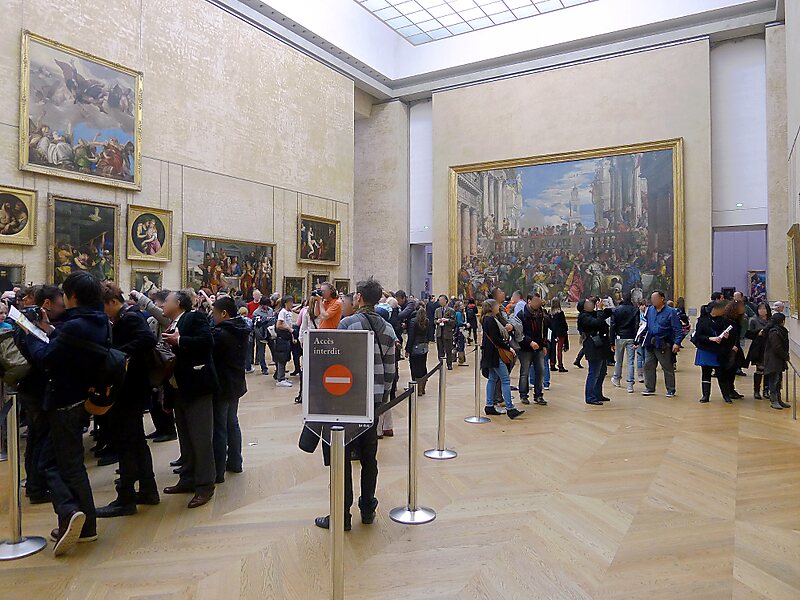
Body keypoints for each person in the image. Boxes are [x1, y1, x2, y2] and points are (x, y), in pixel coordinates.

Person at [26, 272, 109, 555]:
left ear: (72, 296)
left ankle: (76, 517)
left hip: (65, 401)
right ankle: (75, 518)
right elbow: (70, 346)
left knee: (63, 465)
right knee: (54, 462)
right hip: (80, 398)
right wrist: (48, 331)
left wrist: (28, 337)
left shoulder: (76, 325)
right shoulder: (97, 320)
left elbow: (47, 359)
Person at [315, 278, 397, 530]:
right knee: (369, 457)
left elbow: (338, 363)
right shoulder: (387, 328)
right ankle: (368, 508)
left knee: (344, 457)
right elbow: (392, 371)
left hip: (348, 402)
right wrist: (381, 399)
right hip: (373, 403)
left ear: (359, 298)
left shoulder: (348, 324)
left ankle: (343, 515)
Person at [96, 283, 158, 518]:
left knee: (127, 442)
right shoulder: (125, 317)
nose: (103, 312)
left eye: (104, 307)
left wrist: (117, 353)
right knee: (136, 441)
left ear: (112, 302)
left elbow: (147, 340)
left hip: (130, 389)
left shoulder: (130, 317)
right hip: (133, 388)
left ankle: (126, 498)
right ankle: (148, 490)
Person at [161, 290, 219, 509]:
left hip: (197, 387)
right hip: (179, 389)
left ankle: (205, 487)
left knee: (201, 439)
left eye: (166, 301)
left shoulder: (193, 317)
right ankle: (187, 480)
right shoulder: (171, 322)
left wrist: (180, 339)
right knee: (185, 438)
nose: (163, 304)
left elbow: (207, 342)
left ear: (178, 303)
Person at [15, 285, 65, 505]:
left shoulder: (24, 319)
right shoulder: (31, 324)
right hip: (36, 387)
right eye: (59, 304)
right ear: (47, 304)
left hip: (29, 385)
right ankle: (37, 487)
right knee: (41, 437)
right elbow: (40, 356)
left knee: (37, 437)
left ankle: (34, 484)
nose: (62, 309)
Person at [211, 296, 249, 483]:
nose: (213, 317)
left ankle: (217, 471)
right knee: (232, 423)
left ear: (224, 314)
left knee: (220, 427)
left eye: (214, 314)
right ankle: (235, 461)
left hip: (223, 384)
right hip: (236, 382)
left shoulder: (221, 333)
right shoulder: (241, 328)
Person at [132, 289, 177, 442]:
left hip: (165, 363)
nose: (160, 307)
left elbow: (152, 309)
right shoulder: (152, 321)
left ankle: (169, 430)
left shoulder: (167, 319)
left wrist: (140, 297)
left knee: (162, 399)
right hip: (153, 363)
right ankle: (159, 428)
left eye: (160, 303)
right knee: (153, 401)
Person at [480, 299, 524, 419]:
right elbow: (497, 339)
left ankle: (489, 405)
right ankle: (510, 408)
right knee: (505, 380)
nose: (498, 308)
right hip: (496, 353)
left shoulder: (486, 319)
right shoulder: (491, 320)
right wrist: (509, 348)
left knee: (492, 379)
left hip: (489, 353)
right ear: (491, 307)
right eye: (496, 306)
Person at [641, 291, 684, 397]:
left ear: (662, 299)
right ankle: (649, 388)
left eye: (655, 298)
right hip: (650, 341)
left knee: (667, 366)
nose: (653, 301)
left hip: (664, 341)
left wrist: (677, 343)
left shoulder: (671, 312)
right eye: (652, 299)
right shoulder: (650, 310)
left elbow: (678, 329)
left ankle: (670, 389)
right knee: (648, 365)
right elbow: (646, 325)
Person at [577, 297, 613, 405]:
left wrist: (606, 306)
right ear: (584, 307)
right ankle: (590, 396)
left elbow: (609, 313)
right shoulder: (584, 317)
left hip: (600, 346)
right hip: (593, 346)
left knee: (602, 372)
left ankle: (598, 394)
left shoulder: (593, 313)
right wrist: (600, 311)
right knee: (594, 372)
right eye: (589, 303)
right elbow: (598, 323)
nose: (592, 304)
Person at [693, 299, 730, 403]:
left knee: (721, 373)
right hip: (706, 349)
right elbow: (699, 336)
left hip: (718, 350)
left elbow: (727, 333)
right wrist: (711, 338)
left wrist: (726, 336)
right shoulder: (702, 320)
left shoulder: (723, 320)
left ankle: (726, 395)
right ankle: (705, 395)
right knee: (706, 372)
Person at [518, 294, 549, 406]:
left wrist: (544, 345)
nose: (538, 303)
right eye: (536, 301)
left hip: (539, 347)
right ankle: (523, 395)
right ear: (529, 301)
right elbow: (519, 333)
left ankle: (539, 395)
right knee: (525, 372)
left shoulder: (542, 314)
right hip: (525, 348)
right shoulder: (521, 314)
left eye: (539, 301)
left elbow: (544, 331)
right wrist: (529, 342)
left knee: (540, 371)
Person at [610, 292, 639, 393]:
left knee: (618, 360)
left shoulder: (616, 310)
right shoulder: (635, 309)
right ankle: (630, 384)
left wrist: (611, 342)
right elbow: (636, 325)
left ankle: (616, 379)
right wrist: (636, 339)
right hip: (631, 337)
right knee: (630, 362)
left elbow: (613, 326)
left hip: (619, 337)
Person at [763, 312, 791, 410]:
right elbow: (777, 347)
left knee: (778, 380)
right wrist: (785, 356)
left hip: (778, 360)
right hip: (773, 360)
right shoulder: (774, 332)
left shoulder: (779, 331)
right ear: (782, 321)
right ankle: (774, 400)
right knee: (774, 380)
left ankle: (778, 400)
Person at [745, 302, 772, 400]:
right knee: (759, 368)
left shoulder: (771, 321)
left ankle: (766, 390)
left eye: (764, 309)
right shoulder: (753, 320)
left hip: (770, 346)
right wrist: (757, 333)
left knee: (768, 369)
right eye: (760, 309)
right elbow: (748, 334)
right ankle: (756, 390)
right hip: (758, 346)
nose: (762, 311)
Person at [406, 305, 430, 395]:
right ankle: (422, 388)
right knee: (423, 366)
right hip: (424, 346)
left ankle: (417, 388)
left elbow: (411, 337)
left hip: (415, 347)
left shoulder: (413, 322)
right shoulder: (427, 321)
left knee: (414, 367)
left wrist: (407, 349)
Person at [274, 295, 295, 387]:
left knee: (285, 357)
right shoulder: (282, 312)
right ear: (286, 303)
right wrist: (287, 328)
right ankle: (280, 378)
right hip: (282, 338)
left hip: (287, 338)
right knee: (282, 358)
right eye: (290, 302)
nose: (292, 304)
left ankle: (281, 376)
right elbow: (278, 325)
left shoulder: (288, 312)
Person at [251, 296, 273, 376]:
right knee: (261, 352)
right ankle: (264, 368)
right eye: (265, 305)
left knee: (273, 349)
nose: (267, 307)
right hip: (261, 333)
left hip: (270, 333)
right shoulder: (256, 312)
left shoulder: (270, 310)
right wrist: (265, 319)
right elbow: (256, 325)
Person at [434, 294, 456, 370]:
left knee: (448, 349)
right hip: (439, 332)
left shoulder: (451, 310)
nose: (440, 302)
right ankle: (440, 363)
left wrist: (447, 320)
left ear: (445, 300)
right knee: (440, 349)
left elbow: (453, 322)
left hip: (447, 332)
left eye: (441, 300)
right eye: (439, 300)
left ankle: (449, 363)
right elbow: (434, 320)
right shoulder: (437, 310)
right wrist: (437, 321)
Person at [548, 298, 569, 373]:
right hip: (561, 333)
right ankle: (560, 365)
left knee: (552, 349)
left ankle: (552, 364)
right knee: (559, 349)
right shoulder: (560, 313)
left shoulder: (550, 313)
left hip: (553, 333)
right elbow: (563, 324)